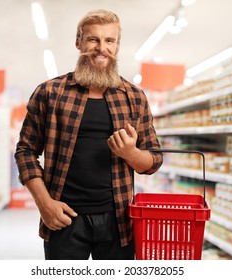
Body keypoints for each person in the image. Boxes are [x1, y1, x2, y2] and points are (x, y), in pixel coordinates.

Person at [14, 9, 163, 260]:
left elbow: (153, 161)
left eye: (109, 40)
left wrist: (131, 153)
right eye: (93, 39)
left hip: (119, 222)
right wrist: (44, 203)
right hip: (63, 218)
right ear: (79, 42)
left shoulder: (134, 97)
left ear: (117, 46)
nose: (101, 48)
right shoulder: (50, 93)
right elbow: (25, 151)